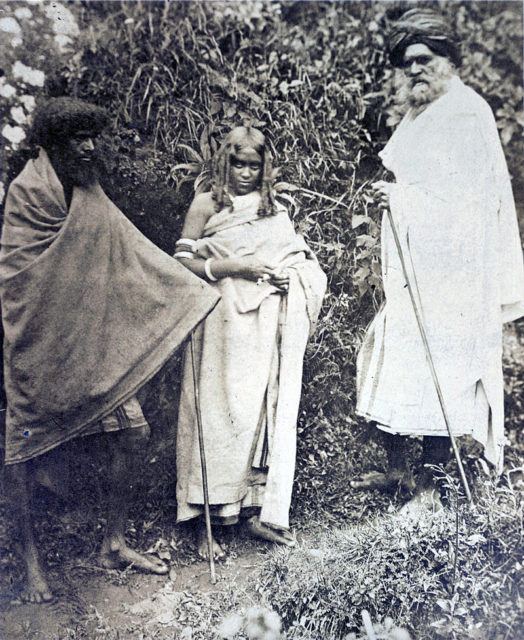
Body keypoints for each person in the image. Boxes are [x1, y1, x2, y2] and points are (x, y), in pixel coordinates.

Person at [0, 97, 219, 602]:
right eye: (77, 138)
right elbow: (18, 281)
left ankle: (113, 542)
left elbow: (131, 250)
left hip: (94, 342)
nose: (89, 146)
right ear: (51, 144)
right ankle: (29, 558)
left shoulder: (89, 190)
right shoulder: (26, 193)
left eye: (91, 136)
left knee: (134, 434)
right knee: (22, 452)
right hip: (36, 344)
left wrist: (186, 295)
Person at [352, 9, 524, 511]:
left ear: (449, 60)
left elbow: (469, 207)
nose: (415, 71)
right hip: (419, 267)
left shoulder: (467, 114)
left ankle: (428, 489)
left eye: (424, 60)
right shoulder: (423, 110)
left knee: (440, 371)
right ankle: (397, 471)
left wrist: (402, 202)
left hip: (456, 272)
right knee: (394, 355)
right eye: (406, 64)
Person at [174, 126, 327, 557]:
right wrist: (237, 266)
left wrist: (288, 277)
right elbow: (182, 260)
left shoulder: (274, 209)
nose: (244, 173)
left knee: (257, 412)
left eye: (253, 165)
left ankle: (251, 511)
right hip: (220, 322)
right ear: (224, 162)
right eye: (237, 164)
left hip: (266, 324)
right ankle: (206, 523)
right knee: (217, 411)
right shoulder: (206, 204)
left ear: (265, 168)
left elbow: (297, 258)